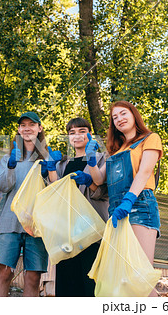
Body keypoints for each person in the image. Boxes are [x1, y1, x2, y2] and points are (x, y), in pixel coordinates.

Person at [87, 100, 163, 297]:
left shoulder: (150, 138)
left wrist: (129, 200)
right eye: (115, 117)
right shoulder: (116, 150)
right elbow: (99, 179)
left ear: (133, 115)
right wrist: (91, 160)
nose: (119, 119)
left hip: (139, 205)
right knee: (123, 278)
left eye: (123, 113)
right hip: (117, 212)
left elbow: (145, 172)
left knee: (141, 278)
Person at [0, 111, 62, 297]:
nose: (27, 128)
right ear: (19, 130)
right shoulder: (8, 158)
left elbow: (57, 192)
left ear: (40, 129)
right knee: (4, 273)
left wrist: (51, 171)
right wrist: (11, 167)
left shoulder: (49, 158)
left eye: (32, 124)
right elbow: (3, 187)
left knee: (32, 278)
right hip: (9, 223)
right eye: (23, 125)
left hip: (37, 226)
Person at [46, 117, 109, 297]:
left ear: (90, 134)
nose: (77, 136)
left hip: (91, 231)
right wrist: (51, 168)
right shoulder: (63, 164)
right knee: (67, 285)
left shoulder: (102, 158)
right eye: (72, 132)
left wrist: (91, 183)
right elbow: (55, 193)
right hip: (67, 233)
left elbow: (104, 192)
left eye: (82, 131)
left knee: (90, 286)